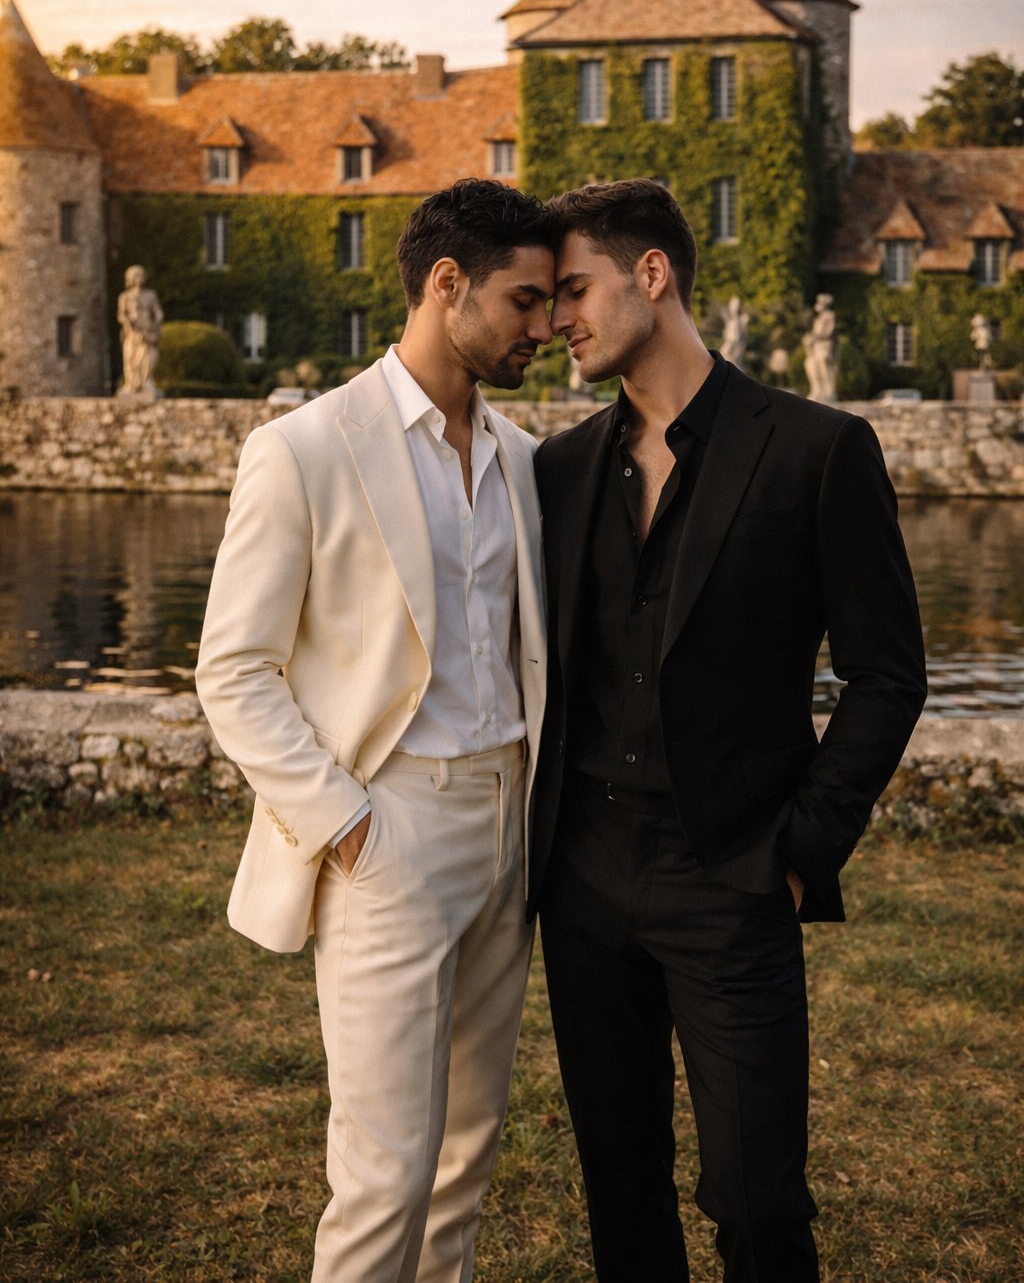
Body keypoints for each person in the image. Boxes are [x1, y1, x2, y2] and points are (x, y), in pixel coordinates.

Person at [529, 179, 927, 1283]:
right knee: (619, 1184)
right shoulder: (556, 469)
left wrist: (800, 852)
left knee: (757, 1201)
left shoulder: (816, 448)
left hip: (734, 875)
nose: (557, 317)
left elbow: (886, 675)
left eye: (574, 290)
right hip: (582, 877)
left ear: (651, 276)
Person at [196, 179, 555, 1283]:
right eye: (523, 302)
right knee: (385, 1169)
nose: (545, 329)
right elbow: (234, 670)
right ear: (446, 287)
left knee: (464, 1157)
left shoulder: (527, 457)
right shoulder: (303, 449)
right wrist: (350, 829)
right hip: (388, 831)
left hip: (510, 828)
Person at [117, 264, 163, 396]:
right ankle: (131, 384)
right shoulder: (125, 297)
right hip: (132, 332)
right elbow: (121, 315)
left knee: (148, 358)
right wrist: (128, 323)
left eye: (141, 275)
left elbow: (158, 313)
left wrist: (155, 324)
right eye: (136, 275)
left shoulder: (150, 295)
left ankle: (146, 381)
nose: (139, 278)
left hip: (148, 331)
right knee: (130, 358)